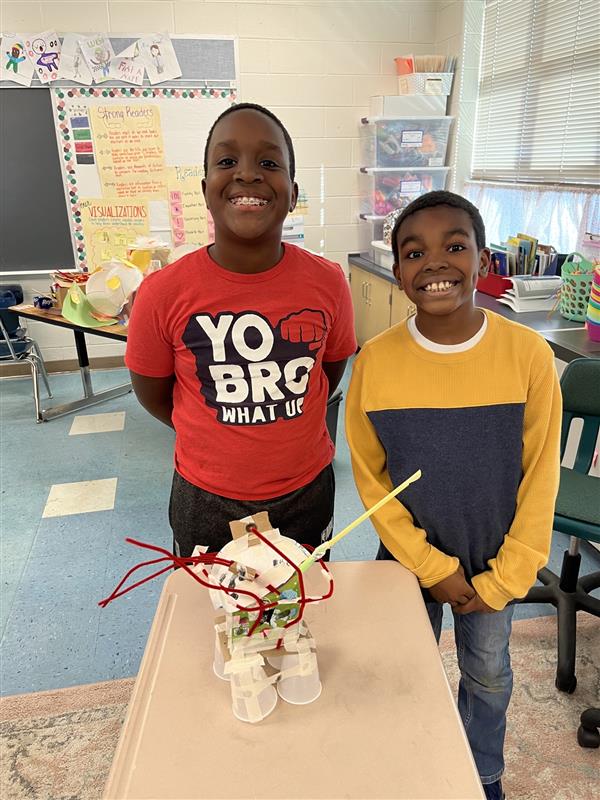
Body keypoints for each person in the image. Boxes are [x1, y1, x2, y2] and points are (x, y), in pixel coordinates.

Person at [345, 190, 561, 800]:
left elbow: (542, 476)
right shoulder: (376, 364)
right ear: (398, 271)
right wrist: (430, 566)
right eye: (414, 252)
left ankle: (481, 774)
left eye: (455, 246)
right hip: (409, 561)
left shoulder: (528, 355)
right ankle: (412, 772)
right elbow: (372, 481)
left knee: (488, 674)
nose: (435, 263)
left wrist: (505, 577)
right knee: (403, 671)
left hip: (498, 561)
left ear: (484, 260)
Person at [126, 103, 356, 558]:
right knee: (212, 619)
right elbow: (155, 394)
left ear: (292, 193)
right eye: (227, 162)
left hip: (305, 491)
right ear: (206, 189)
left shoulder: (329, 282)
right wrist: (211, 435)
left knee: (300, 612)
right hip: (206, 497)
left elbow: (328, 370)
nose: (248, 175)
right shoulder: (162, 292)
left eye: (269, 163)